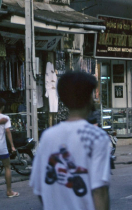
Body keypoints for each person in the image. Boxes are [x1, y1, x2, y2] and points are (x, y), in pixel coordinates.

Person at [30, 72, 111, 210]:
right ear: (89, 98)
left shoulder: (47, 136)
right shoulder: (97, 136)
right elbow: (99, 191)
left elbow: (39, 189)